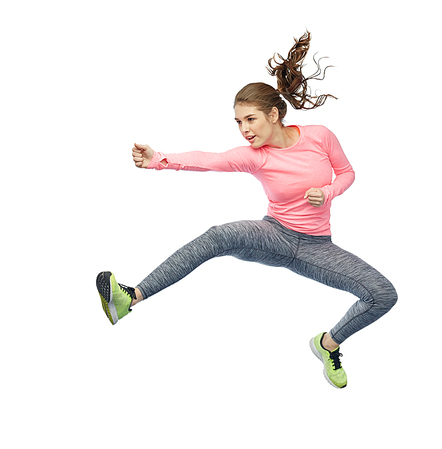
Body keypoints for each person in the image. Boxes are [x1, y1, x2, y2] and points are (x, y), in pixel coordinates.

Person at [96, 31, 397, 389]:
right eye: (238, 122)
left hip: (318, 246)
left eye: (250, 120)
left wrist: (328, 192)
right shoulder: (255, 157)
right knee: (220, 235)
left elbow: (347, 173)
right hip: (276, 235)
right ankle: (130, 297)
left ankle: (327, 344)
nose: (244, 130)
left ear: (273, 114)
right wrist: (160, 160)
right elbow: (211, 160)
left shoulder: (319, 136)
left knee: (383, 294)